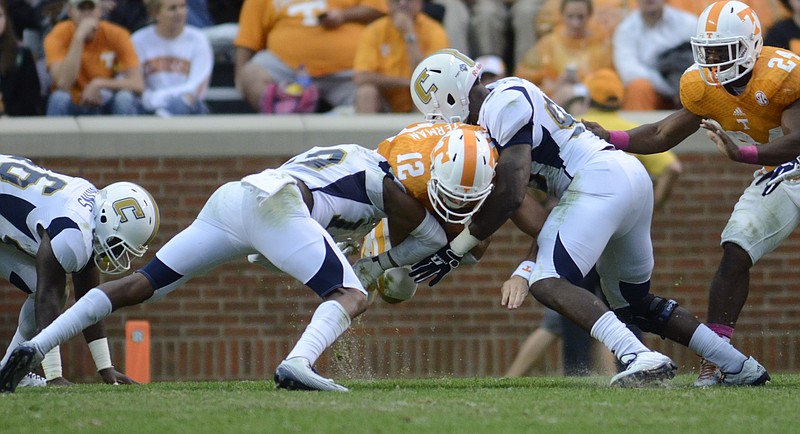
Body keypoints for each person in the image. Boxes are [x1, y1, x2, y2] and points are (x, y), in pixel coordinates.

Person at [408, 48, 770, 387]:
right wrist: (516, 262)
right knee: (634, 304)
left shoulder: (503, 102)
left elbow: (511, 193)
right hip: (619, 180)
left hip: (599, 180)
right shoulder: (500, 106)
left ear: (450, 97)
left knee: (547, 281)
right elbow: (533, 214)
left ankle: (638, 355)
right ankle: (737, 364)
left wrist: (458, 248)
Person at [0, 144, 449, 393]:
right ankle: (297, 363)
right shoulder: (384, 178)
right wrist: (381, 264)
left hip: (235, 198)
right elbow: (430, 236)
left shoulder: (349, 155)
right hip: (279, 207)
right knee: (352, 296)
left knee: (141, 284)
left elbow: (275, 250)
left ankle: (36, 346)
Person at [585, 0, 800, 386]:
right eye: (708, 52)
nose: (714, 61)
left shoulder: (780, 74)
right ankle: (719, 357)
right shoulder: (704, 89)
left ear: (751, 45)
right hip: (778, 174)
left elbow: (798, 141)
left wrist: (744, 153)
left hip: (785, 162)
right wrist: (613, 138)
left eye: (724, 52)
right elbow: (663, 133)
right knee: (736, 248)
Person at [505, 68, 683, 378]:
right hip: (620, 221)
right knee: (617, 307)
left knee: (560, 306)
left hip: (577, 229)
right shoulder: (625, 127)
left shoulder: (581, 128)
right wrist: (655, 206)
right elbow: (673, 168)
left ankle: (613, 365)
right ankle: (624, 365)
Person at [0, 155, 159, 389]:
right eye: (118, 244)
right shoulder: (73, 232)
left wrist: (105, 367)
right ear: (108, 221)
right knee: (47, 291)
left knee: (41, 287)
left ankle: (11, 371)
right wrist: (54, 376)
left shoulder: (89, 215)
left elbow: (89, 302)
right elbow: (47, 299)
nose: (119, 254)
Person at [234, 0, 387, 113]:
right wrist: (240, 80)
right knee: (250, 74)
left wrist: (343, 15)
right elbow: (247, 39)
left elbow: (381, 8)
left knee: (368, 92)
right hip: (287, 70)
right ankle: (285, 128)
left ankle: (361, 153)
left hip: (347, 73)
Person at [43, 0, 144, 116]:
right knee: (59, 98)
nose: (87, 14)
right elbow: (63, 83)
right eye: (81, 8)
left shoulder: (118, 34)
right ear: (70, 12)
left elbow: (137, 84)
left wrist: (99, 83)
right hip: (75, 102)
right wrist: (78, 37)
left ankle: (124, 134)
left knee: (125, 98)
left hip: (105, 101)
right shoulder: (57, 35)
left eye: (91, 8)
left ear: (100, 11)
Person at [353, 0, 448, 113]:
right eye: (396, 0)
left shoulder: (435, 31)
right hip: (386, 99)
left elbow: (433, 79)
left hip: (420, 100)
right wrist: (406, 83)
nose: (402, 4)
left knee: (428, 92)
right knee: (366, 92)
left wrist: (409, 34)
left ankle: (422, 130)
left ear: (420, 3)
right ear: (387, 4)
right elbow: (361, 77)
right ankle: (368, 131)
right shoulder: (374, 30)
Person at [515, 0, 613, 108]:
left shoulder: (601, 46)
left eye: (580, 17)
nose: (575, 23)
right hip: (553, 103)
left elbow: (609, 83)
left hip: (592, 105)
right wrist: (555, 85)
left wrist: (585, 84)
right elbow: (524, 81)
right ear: (561, 15)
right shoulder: (548, 45)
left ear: (589, 15)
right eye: (570, 17)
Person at [132, 0, 213, 116]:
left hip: (187, 106)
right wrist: (154, 101)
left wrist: (163, 99)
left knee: (185, 101)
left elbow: (196, 87)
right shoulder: (138, 40)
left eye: (183, 6)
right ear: (156, 14)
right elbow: (135, 83)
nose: (179, 12)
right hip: (148, 106)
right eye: (172, 8)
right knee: (125, 100)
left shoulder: (199, 40)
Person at [612, 0, 696, 110]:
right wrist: (666, 84)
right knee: (638, 87)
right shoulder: (626, 30)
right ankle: (637, 127)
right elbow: (628, 71)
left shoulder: (688, 23)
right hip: (653, 89)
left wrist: (681, 85)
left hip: (685, 85)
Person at [0, 0, 42, 116]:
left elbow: (31, 103)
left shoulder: (22, 55)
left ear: (7, 20)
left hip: (14, 126)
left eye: (0, 15)